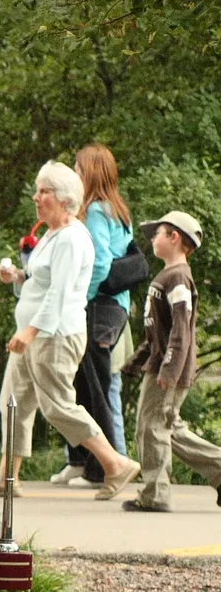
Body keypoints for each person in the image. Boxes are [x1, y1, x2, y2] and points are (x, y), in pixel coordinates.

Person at [0, 161, 139, 499]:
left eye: (44, 191)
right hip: (35, 333)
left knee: (58, 405)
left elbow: (60, 292)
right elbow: (40, 281)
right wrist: (16, 276)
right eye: (39, 189)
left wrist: (30, 331)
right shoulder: (52, 234)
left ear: (66, 200)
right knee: (13, 402)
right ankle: (7, 478)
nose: (36, 197)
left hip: (54, 335)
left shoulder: (73, 238)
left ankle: (115, 464)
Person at [123, 211, 221, 511]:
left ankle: (156, 495)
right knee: (168, 428)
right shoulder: (167, 276)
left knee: (151, 429)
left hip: (168, 370)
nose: (153, 239)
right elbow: (158, 331)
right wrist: (137, 359)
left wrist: (169, 368)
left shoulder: (178, 277)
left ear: (175, 237)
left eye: (158, 233)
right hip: (161, 365)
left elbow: (181, 330)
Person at [53, 143, 133, 487]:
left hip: (98, 305)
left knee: (94, 387)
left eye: (77, 167)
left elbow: (100, 262)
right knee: (83, 383)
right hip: (115, 306)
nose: (74, 173)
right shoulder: (117, 210)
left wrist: (79, 298)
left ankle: (102, 468)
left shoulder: (98, 211)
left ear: (90, 173)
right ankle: (82, 459)